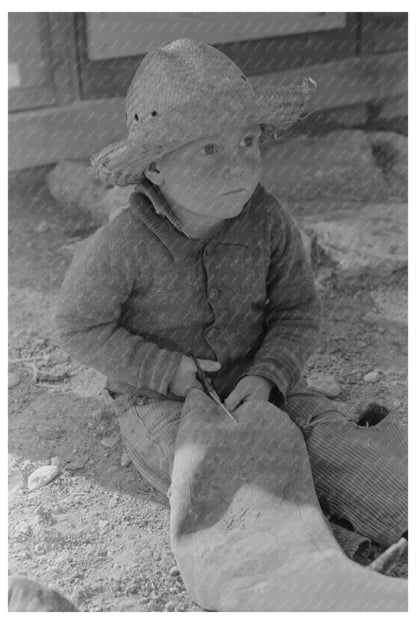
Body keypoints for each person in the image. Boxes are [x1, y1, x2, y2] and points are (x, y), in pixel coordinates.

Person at [54, 39, 407, 609]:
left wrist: (269, 375)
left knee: (328, 438)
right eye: (210, 150)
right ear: (155, 166)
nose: (239, 163)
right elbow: (78, 326)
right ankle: (314, 575)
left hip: (257, 382)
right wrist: (165, 371)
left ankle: (397, 525)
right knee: (218, 476)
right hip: (162, 404)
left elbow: (296, 311)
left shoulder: (268, 221)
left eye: (248, 141)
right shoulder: (122, 245)